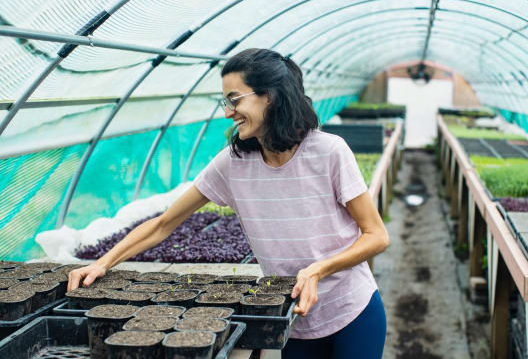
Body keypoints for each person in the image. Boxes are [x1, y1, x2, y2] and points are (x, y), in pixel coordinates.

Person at [67, 48, 389, 358]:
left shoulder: (329, 151)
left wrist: (319, 269)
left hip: (353, 312)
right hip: (295, 320)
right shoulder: (232, 164)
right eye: (225, 101)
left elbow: (376, 235)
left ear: (270, 96)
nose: (227, 112)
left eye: (235, 100)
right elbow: (164, 223)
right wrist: (101, 264)